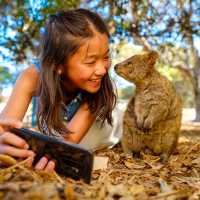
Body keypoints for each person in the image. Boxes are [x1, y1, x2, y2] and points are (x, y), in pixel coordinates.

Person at [0, 9, 122, 172]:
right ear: (58, 64)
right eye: (90, 62)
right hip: (62, 130)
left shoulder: (99, 86)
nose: (102, 70)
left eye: (106, 57)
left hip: (107, 131)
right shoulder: (32, 77)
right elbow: (6, 126)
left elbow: (67, 143)